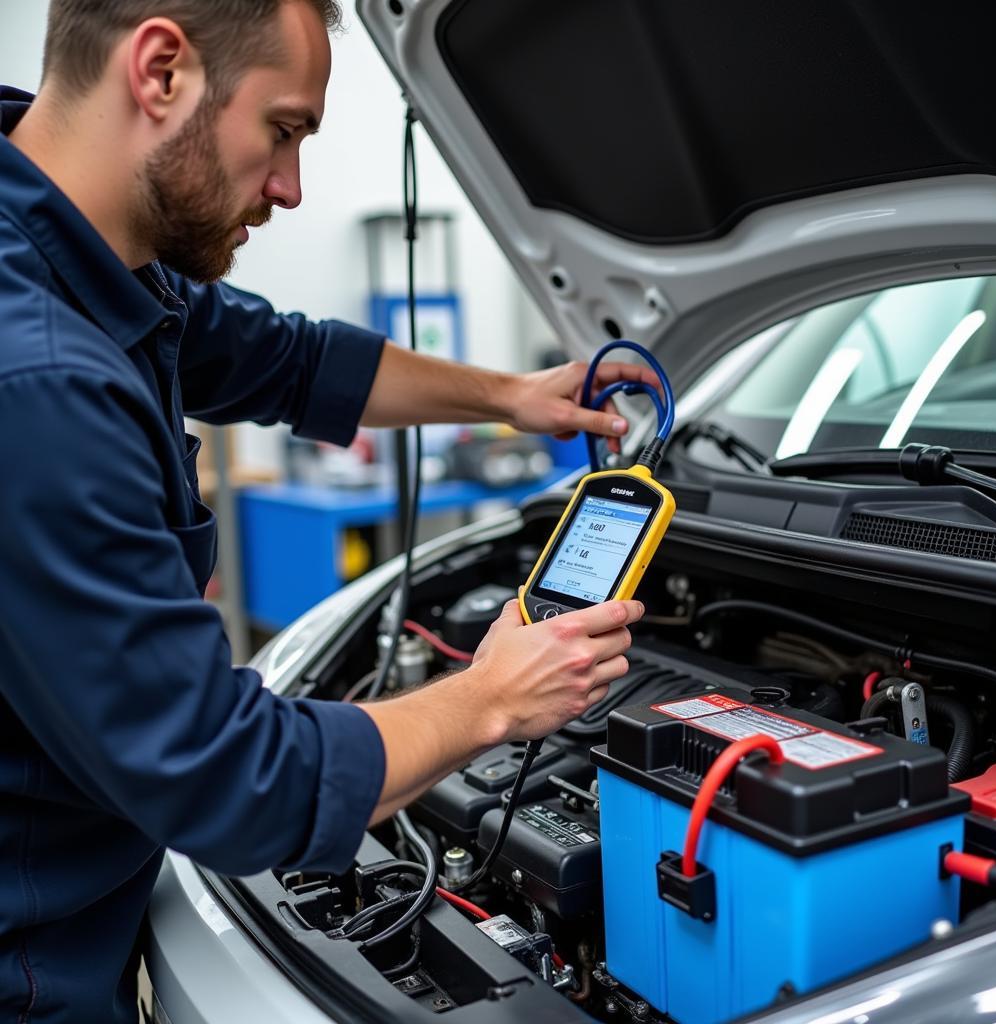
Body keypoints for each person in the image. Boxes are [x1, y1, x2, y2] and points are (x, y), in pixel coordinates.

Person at [0, 1, 661, 1020]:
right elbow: (220, 778)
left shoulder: (80, 249)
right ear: (161, 70)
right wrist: (488, 699)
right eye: (285, 129)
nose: (290, 188)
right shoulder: (38, 378)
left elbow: (292, 360)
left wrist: (514, 395)